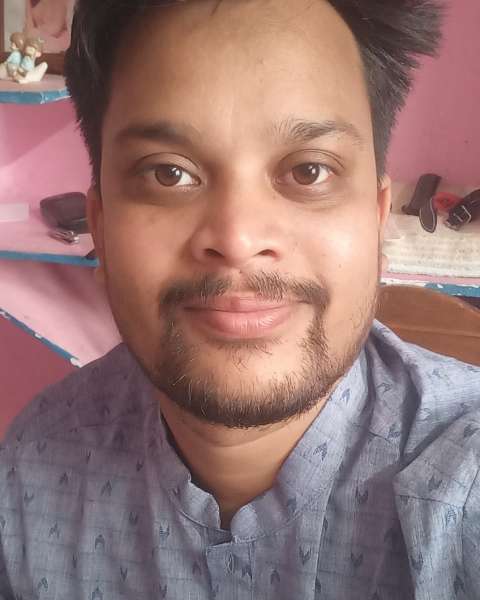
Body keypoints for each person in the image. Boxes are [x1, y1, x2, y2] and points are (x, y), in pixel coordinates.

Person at [0, 1, 479, 598]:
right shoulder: (31, 466)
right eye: (168, 173)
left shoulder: (462, 491)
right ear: (99, 225)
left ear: (377, 221)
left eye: (309, 171)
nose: (237, 238)